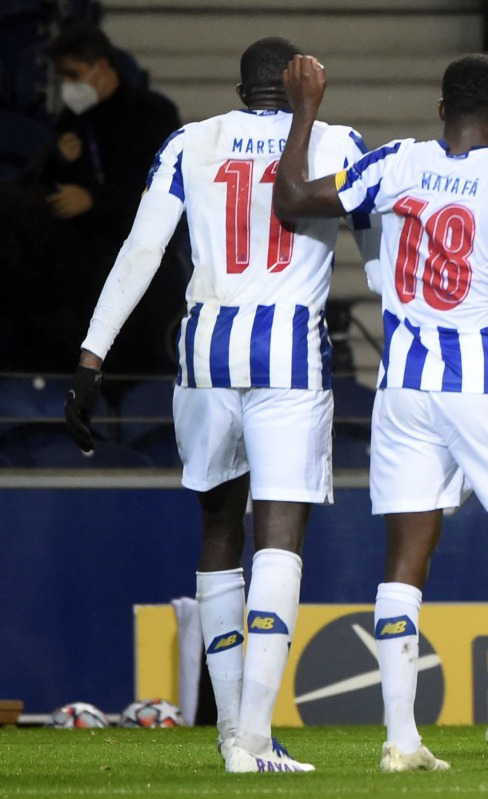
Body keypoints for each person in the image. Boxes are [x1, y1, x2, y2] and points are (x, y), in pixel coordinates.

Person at [63, 36, 380, 773]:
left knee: (218, 529)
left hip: (204, 348)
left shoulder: (189, 141)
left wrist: (91, 357)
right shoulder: (335, 139)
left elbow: (139, 251)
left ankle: (233, 730)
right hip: (288, 354)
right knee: (279, 531)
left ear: (242, 88)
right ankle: (253, 735)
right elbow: (378, 250)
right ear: (303, 80)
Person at [273, 53, 488, 772]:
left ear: (440, 107)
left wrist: (306, 110)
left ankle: (400, 738)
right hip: (484, 384)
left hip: (405, 389)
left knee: (406, 556)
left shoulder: (397, 163)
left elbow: (291, 196)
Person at [13, 25, 186, 374]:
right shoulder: (73, 119)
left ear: (102, 67)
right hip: (82, 263)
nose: (67, 85)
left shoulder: (152, 114)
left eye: (72, 74)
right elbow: (36, 182)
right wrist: (58, 159)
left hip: (137, 259)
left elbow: (163, 189)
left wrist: (94, 199)